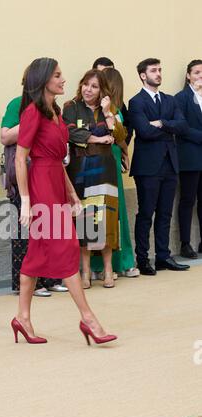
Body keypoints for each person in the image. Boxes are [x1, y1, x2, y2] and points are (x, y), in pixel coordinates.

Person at [12, 57, 117, 345]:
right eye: (58, 75)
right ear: (44, 79)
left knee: (36, 254)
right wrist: (25, 201)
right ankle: (89, 319)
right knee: (67, 245)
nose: (63, 79)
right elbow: (21, 158)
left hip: (56, 181)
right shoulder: (33, 112)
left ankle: (22, 318)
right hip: (40, 185)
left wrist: (71, 194)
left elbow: (58, 160)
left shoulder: (56, 112)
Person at [1, 88, 68, 296]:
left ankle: (51, 277)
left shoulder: (52, 108)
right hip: (25, 173)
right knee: (25, 233)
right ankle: (28, 284)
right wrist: (33, 123)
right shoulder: (18, 104)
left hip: (48, 175)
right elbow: (4, 136)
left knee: (51, 228)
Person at [63, 69, 125, 289]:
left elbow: (119, 136)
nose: (88, 89)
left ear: (102, 91)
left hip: (105, 169)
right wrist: (98, 136)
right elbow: (70, 132)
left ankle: (108, 270)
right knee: (85, 219)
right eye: (86, 84)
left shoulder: (109, 108)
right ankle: (86, 272)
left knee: (106, 219)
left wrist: (108, 114)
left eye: (94, 86)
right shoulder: (71, 107)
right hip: (81, 168)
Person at [129, 58, 190, 275]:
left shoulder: (170, 100)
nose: (158, 73)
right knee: (146, 214)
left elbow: (182, 126)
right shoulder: (136, 102)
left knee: (165, 214)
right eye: (154, 70)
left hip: (170, 164)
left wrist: (162, 123)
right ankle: (143, 259)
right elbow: (143, 131)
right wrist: (166, 126)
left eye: (160, 70)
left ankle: (163, 257)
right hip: (148, 167)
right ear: (143, 75)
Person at [91, 68, 140, 278]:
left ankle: (116, 263)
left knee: (112, 214)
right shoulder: (90, 109)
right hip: (98, 163)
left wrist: (123, 149)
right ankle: (101, 265)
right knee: (99, 215)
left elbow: (120, 133)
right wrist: (125, 151)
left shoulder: (113, 110)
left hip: (108, 163)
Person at [175, 60, 202, 259]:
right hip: (190, 157)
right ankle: (185, 243)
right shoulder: (181, 98)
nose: (200, 76)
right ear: (188, 75)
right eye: (197, 72)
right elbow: (181, 127)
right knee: (187, 199)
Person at [92, 57, 133, 145]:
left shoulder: (120, 104)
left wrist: (123, 148)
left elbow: (128, 127)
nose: (107, 78)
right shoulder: (86, 102)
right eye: (102, 74)